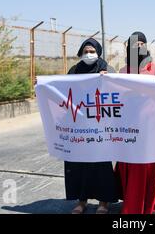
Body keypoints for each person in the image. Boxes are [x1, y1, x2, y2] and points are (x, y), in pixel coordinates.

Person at [114, 31, 155, 214]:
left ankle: (150, 204)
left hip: (150, 127)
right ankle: (131, 205)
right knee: (132, 167)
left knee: (148, 167)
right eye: (134, 44)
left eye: (141, 43)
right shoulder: (123, 71)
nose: (138, 46)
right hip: (130, 127)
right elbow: (116, 94)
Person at [64, 38, 118, 214]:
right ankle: (82, 201)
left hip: (100, 126)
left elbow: (117, 91)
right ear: (81, 52)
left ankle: (103, 203)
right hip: (79, 125)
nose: (89, 54)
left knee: (101, 165)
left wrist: (108, 79)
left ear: (98, 52)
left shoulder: (106, 69)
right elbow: (63, 92)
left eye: (92, 51)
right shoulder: (74, 70)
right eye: (86, 51)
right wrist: (42, 85)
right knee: (80, 165)